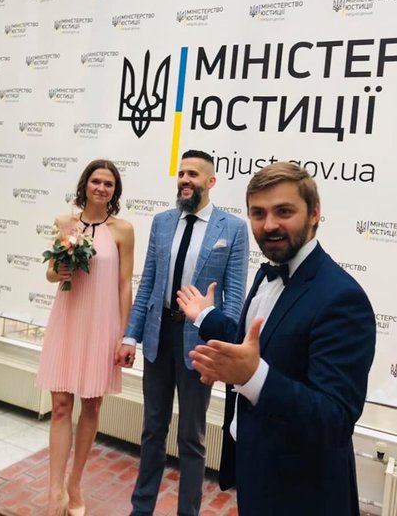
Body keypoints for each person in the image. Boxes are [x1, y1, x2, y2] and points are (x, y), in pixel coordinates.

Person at [177, 161, 376, 516]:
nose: (269, 225)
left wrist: (251, 377)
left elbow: (334, 419)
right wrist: (206, 316)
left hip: (303, 494)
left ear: (314, 213)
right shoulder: (266, 274)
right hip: (255, 473)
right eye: (258, 213)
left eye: (284, 211)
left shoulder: (342, 298)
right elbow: (258, 345)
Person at [117, 149, 248, 516]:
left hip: (199, 345)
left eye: (194, 174)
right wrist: (130, 336)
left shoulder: (232, 229)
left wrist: (220, 348)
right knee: (152, 431)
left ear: (211, 181)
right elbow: (147, 285)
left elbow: (234, 297)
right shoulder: (161, 222)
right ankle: (141, 508)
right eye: (182, 173)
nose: (185, 180)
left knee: (192, 438)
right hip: (158, 338)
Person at [36, 159, 134, 516]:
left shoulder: (123, 230)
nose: (101, 188)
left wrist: (125, 335)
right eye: (96, 181)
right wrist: (58, 270)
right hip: (68, 321)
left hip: (102, 327)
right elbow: (51, 273)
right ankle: (54, 492)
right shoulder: (65, 223)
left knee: (91, 406)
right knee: (61, 406)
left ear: (115, 191)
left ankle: (75, 483)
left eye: (109, 183)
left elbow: (124, 284)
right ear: (85, 185)